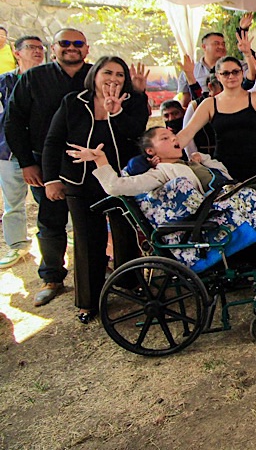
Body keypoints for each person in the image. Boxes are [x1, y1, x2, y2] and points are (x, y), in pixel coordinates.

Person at [67, 127, 256, 270]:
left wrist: (203, 159)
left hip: (229, 194)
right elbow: (115, 186)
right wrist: (100, 161)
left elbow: (224, 174)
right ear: (151, 152)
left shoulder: (188, 162)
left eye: (173, 135)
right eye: (165, 138)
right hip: (217, 212)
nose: (174, 138)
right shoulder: (161, 172)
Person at [42, 56, 150, 323]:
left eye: (120, 75)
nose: (113, 79)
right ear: (95, 75)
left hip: (120, 179)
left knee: (125, 235)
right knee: (88, 240)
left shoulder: (134, 101)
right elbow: (53, 141)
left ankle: (129, 283)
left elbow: (137, 133)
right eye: (107, 73)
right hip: (80, 181)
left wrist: (117, 112)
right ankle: (88, 301)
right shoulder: (73, 102)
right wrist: (51, 179)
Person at [5, 29, 96, 306]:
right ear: (53, 48)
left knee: (92, 220)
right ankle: (52, 277)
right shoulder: (34, 78)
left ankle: (97, 268)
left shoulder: (96, 75)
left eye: (78, 43)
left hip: (90, 161)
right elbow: (14, 122)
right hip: (46, 162)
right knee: (50, 221)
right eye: (64, 43)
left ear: (87, 49)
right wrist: (27, 163)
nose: (71, 48)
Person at [178, 54, 256, 182]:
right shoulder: (209, 103)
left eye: (235, 72)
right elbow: (188, 132)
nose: (231, 76)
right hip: (224, 169)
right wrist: (166, 150)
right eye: (225, 73)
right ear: (218, 76)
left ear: (242, 73)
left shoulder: (255, 97)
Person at [0, 36, 44, 268]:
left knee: (50, 197)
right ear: (17, 53)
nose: (37, 51)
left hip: (40, 151)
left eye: (40, 48)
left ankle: (66, 234)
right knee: (13, 202)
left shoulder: (49, 78)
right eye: (31, 48)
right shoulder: (4, 82)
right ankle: (17, 245)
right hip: (7, 151)